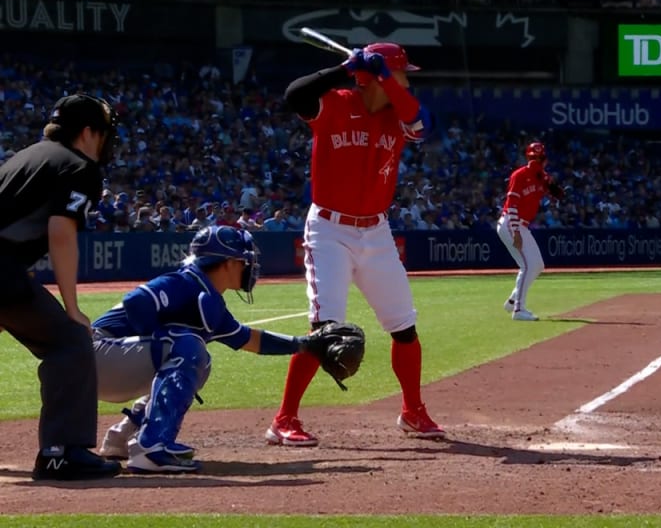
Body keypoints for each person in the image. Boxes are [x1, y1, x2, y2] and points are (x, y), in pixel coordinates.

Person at [265, 41, 442, 447]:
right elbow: (295, 94)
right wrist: (345, 68)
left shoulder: (399, 113)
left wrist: (382, 75)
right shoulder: (336, 102)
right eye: (401, 72)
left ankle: (413, 411)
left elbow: (421, 123)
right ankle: (283, 418)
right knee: (325, 329)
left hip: (376, 231)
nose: (405, 80)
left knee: (404, 326)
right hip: (330, 230)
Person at [91, 225, 347, 473]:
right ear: (228, 263)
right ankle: (152, 448)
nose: (249, 267)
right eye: (244, 261)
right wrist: (162, 338)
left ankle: (122, 438)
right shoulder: (185, 281)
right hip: (94, 354)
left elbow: (249, 340)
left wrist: (305, 346)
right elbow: (136, 302)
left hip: (109, 364)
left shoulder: (209, 297)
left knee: (194, 359)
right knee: (187, 348)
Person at [0, 93, 122, 481]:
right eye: (103, 134)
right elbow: (61, 232)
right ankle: (61, 453)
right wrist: (73, 307)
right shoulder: (79, 166)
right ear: (88, 133)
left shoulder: (27, 156)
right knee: (69, 341)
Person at [496, 142, 565, 321]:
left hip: (521, 225)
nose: (537, 161)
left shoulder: (542, 177)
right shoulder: (519, 175)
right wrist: (516, 232)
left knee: (537, 265)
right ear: (528, 158)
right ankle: (518, 310)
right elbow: (511, 205)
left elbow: (551, 191)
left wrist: (553, 190)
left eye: (540, 158)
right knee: (528, 266)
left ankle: (512, 301)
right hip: (512, 223)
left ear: (545, 160)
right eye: (534, 158)